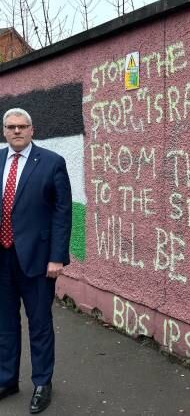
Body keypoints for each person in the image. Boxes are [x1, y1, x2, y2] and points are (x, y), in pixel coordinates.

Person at [0, 108, 71, 414]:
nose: (16, 131)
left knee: (40, 324)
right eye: (10, 127)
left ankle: (42, 382)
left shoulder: (52, 163)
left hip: (38, 261)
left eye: (22, 126)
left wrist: (57, 257)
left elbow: (62, 213)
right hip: (1, 259)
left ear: (32, 130)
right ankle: (7, 379)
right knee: (4, 325)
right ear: (4, 131)